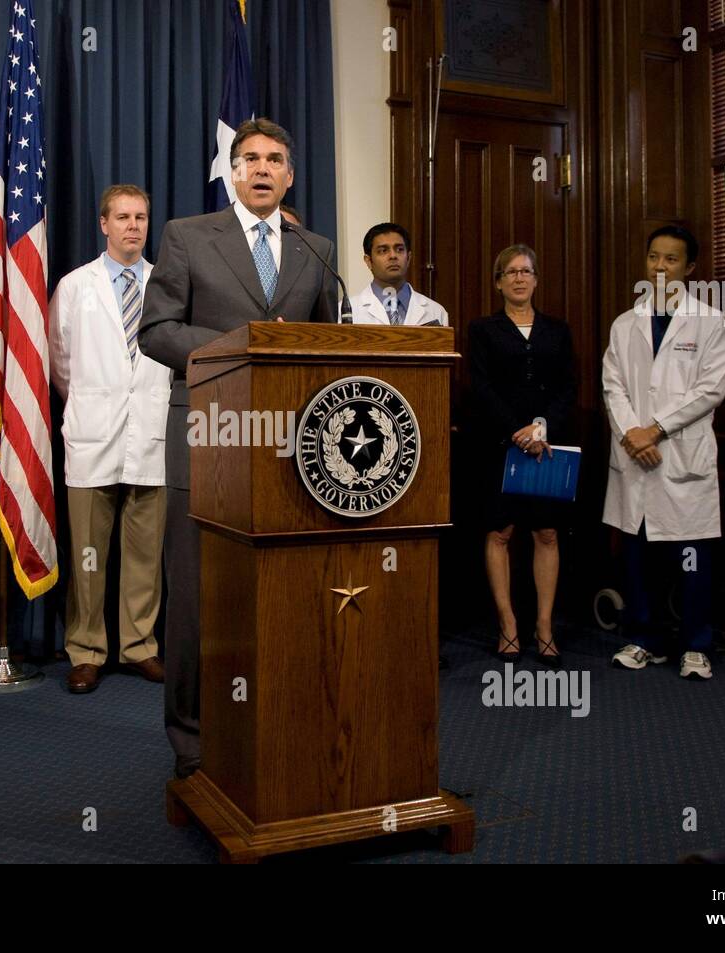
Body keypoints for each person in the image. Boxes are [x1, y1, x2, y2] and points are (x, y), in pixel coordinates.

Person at [141, 117, 336, 778]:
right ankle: (192, 743)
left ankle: (281, 721)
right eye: (249, 157)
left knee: (282, 589)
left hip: (289, 446)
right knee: (198, 596)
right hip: (208, 432)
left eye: (274, 159)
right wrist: (240, 345)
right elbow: (157, 331)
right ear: (233, 169)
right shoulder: (187, 236)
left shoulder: (318, 249)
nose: (261, 168)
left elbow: (326, 345)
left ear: (288, 174)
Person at [49, 185, 171, 694]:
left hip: (151, 433)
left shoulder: (167, 284)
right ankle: (87, 649)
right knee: (88, 552)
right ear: (103, 224)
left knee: (145, 552)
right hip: (93, 434)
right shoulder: (76, 285)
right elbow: (60, 360)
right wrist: (95, 400)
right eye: (122, 217)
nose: (133, 227)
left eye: (141, 217)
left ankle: (139, 644)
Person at [603, 225, 725, 680]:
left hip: (680, 457)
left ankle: (696, 644)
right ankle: (644, 640)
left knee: (691, 557)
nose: (660, 267)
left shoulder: (711, 322)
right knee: (637, 555)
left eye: (671, 260)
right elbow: (613, 386)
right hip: (635, 456)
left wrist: (655, 430)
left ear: (690, 268)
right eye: (654, 257)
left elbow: (711, 390)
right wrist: (632, 434)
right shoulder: (625, 324)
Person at [466, 244, 575, 666]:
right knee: (500, 533)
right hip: (498, 446)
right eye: (509, 272)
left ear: (535, 279)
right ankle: (508, 624)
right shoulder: (483, 329)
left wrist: (541, 427)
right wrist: (518, 431)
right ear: (498, 282)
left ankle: (544, 626)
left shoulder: (558, 330)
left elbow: (568, 387)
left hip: (547, 447)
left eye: (525, 271)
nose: (518, 278)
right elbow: (482, 386)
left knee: (546, 534)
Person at [350, 223, 449, 326]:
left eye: (399, 250)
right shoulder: (348, 311)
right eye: (383, 251)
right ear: (368, 261)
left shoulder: (436, 312)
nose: (393, 256)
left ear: (409, 258)